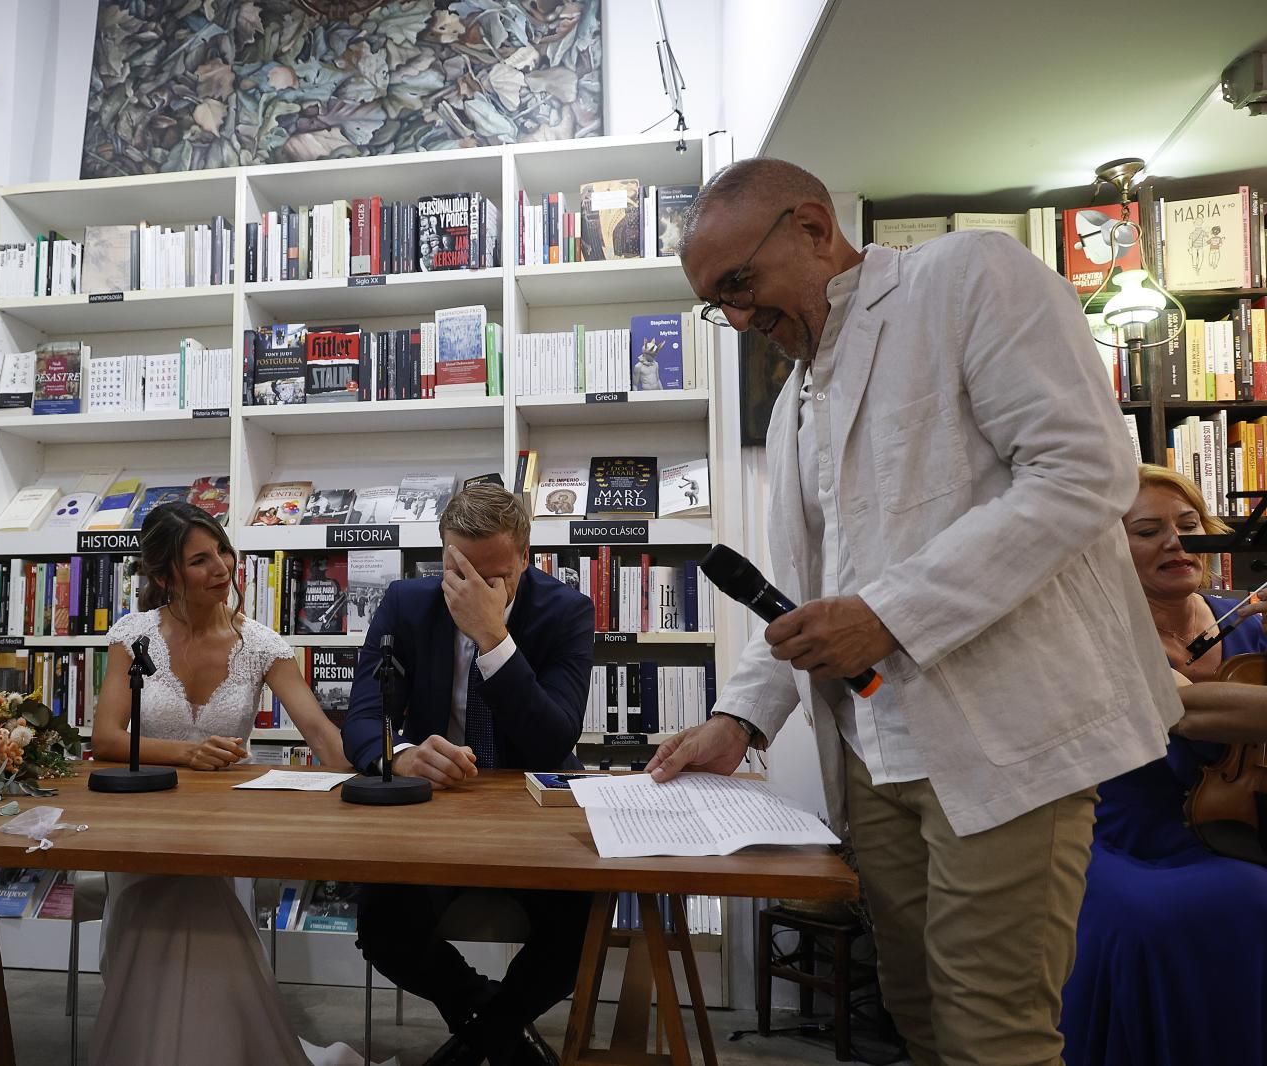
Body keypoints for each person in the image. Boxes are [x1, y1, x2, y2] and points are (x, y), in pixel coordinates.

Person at [649, 158, 1180, 1066]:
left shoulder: (971, 277)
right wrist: (741, 715)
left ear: (813, 228)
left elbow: (1084, 471)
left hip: (1007, 739)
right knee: (919, 1017)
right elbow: (807, 597)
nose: (738, 318)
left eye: (740, 284)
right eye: (716, 303)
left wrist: (889, 613)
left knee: (992, 1035)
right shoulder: (793, 407)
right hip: (871, 755)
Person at [87, 502, 349, 1066]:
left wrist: (368, 776)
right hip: (142, 823)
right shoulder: (132, 637)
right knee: (162, 908)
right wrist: (187, 753)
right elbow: (106, 739)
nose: (221, 567)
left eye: (223, 552)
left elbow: (319, 732)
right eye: (200, 560)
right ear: (164, 577)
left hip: (227, 830)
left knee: (203, 906)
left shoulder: (260, 644)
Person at [343, 483, 593, 1066]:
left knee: (580, 927)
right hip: (439, 813)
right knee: (382, 921)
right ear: (442, 553)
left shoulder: (565, 612)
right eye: (460, 570)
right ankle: (499, 1032)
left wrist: (493, 637)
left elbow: (553, 740)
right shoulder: (406, 604)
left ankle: (473, 1045)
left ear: (527, 555)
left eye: (495, 576)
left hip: (534, 814)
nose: (475, 589)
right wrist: (400, 753)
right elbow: (360, 718)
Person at [1061, 465, 1267, 1066]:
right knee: (1233, 901)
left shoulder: (1245, 616)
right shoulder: (1094, 635)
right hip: (1124, 838)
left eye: (1188, 524)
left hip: (1243, 824)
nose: (1177, 542)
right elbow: (1182, 709)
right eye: (1147, 530)